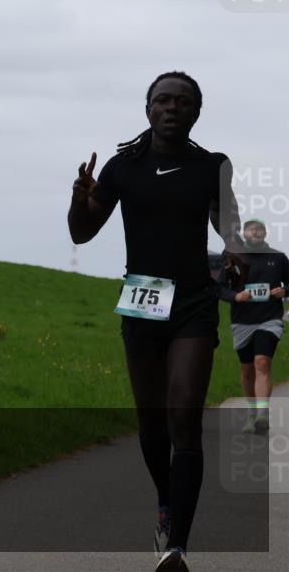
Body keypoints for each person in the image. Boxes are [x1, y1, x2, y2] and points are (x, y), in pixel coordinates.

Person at [67, 71, 242, 571]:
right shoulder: (124, 167)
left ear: (196, 112)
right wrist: (80, 197)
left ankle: (177, 548)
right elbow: (82, 233)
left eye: (182, 101)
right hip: (143, 300)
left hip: (193, 301)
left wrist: (234, 248)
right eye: (162, 100)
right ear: (147, 109)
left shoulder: (213, 166)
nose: (171, 107)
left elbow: (226, 222)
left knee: (184, 415)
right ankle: (165, 501)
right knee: (152, 421)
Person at [218, 219, 288, 434]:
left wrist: (285, 291)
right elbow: (219, 289)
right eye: (251, 229)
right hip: (242, 321)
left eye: (260, 229)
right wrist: (235, 295)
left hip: (270, 319)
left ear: (265, 233)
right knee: (247, 370)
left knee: (262, 362)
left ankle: (262, 413)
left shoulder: (278, 258)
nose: (256, 232)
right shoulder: (234, 258)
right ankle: (251, 412)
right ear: (245, 233)